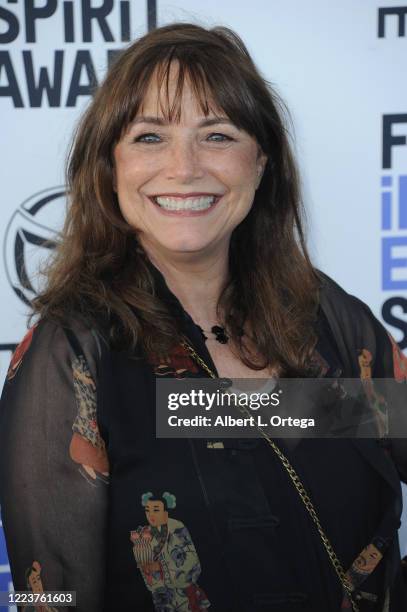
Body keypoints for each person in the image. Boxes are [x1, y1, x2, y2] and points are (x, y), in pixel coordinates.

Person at [0, 21, 407, 612]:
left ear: (260, 161)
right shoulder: (76, 352)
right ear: (109, 167)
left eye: (217, 135)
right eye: (149, 138)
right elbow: (54, 597)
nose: (185, 167)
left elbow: (240, 415)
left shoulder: (326, 318)